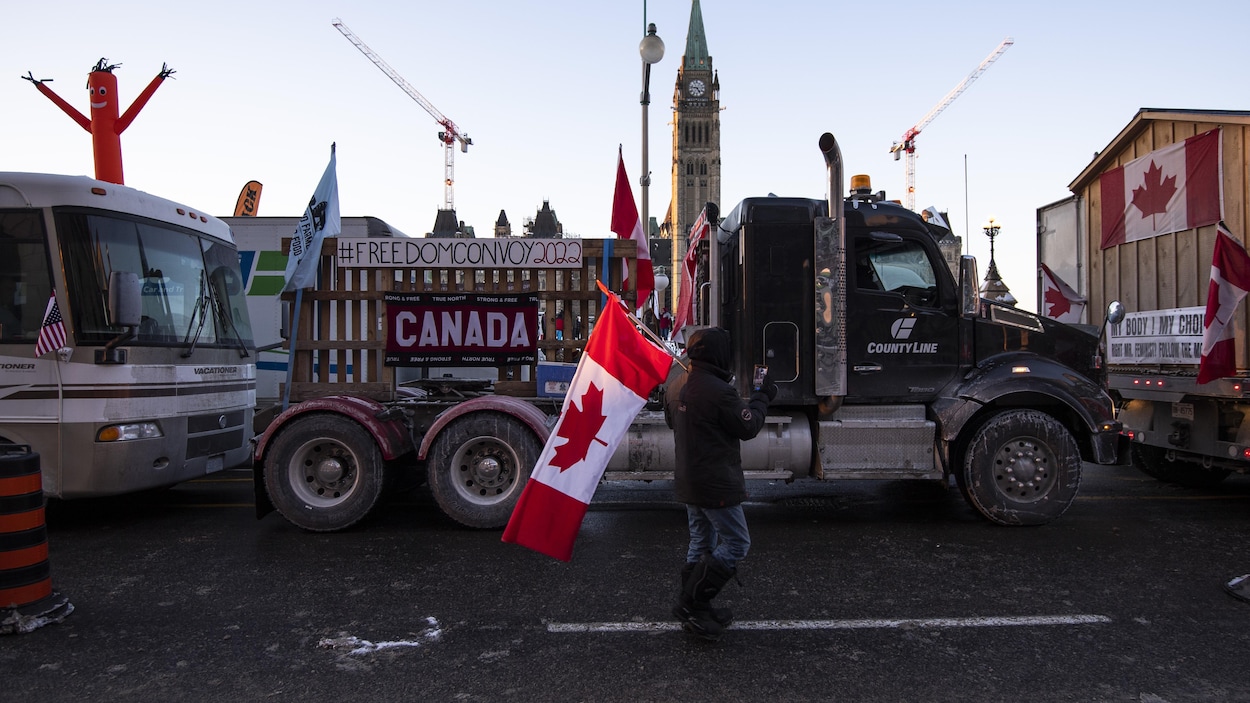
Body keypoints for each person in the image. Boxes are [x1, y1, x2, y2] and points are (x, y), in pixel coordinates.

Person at [664, 327, 777, 640]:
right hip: (715, 482)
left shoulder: (676, 384)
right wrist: (762, 396)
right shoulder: (719, 391)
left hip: (689, 478)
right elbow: (749, 426)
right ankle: (691, 604)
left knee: (701, 541)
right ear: (718, 354)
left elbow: (672, 421)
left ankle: (697, 608)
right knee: (737, 543)